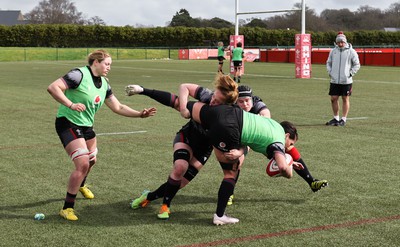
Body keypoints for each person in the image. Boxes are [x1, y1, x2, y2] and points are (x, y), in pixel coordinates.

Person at [47, 49, 157, 221]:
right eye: (107, 64)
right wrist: (71, 104)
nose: (109, 68)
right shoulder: (78, 75)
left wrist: (139, 114)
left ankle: (81, 185)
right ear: (96, 63)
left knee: (92, 160)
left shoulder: (104, 83)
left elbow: (117, 107)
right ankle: (67, 208)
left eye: (110, 65)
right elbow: (53, 87)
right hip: (67, 122)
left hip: (86, 126)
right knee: (82, 163)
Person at [127, 74, 239, 220]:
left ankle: (148, 196)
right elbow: (179, 93)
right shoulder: (206, 98)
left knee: (179, 183)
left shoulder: (230, 117)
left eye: (217, 101)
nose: (212, 101)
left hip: (204, 149)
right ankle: (166, 206)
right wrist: (143, 90)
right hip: (186, 137)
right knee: (180, 167)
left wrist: (240, 151)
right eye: (213, 97)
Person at [181, 101, 303, 225]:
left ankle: (162, 195)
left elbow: (253, 137)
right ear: (287, 136)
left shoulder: (274, 126)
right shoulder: (278, 143)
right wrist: (289, 171)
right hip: (228, 130)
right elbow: (282, 167)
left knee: (181, 103)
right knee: (230, 174)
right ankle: (219, 215)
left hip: (227, 118)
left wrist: (290, 163)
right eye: (291, 144)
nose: (289, 148)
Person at [326, 31, 360, 126]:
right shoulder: (333, 51)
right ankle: (336, 118)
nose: (340, 44)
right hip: (334, 80)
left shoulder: (351, 51)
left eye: (342, 42)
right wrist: (330, 72)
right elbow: (328, 63)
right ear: (336, 42)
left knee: (345, 98)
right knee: (333, 98)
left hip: (346, 80)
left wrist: (350, 73)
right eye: (338, 42)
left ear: (345, 42)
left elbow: (357, 64)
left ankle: (343, 119)